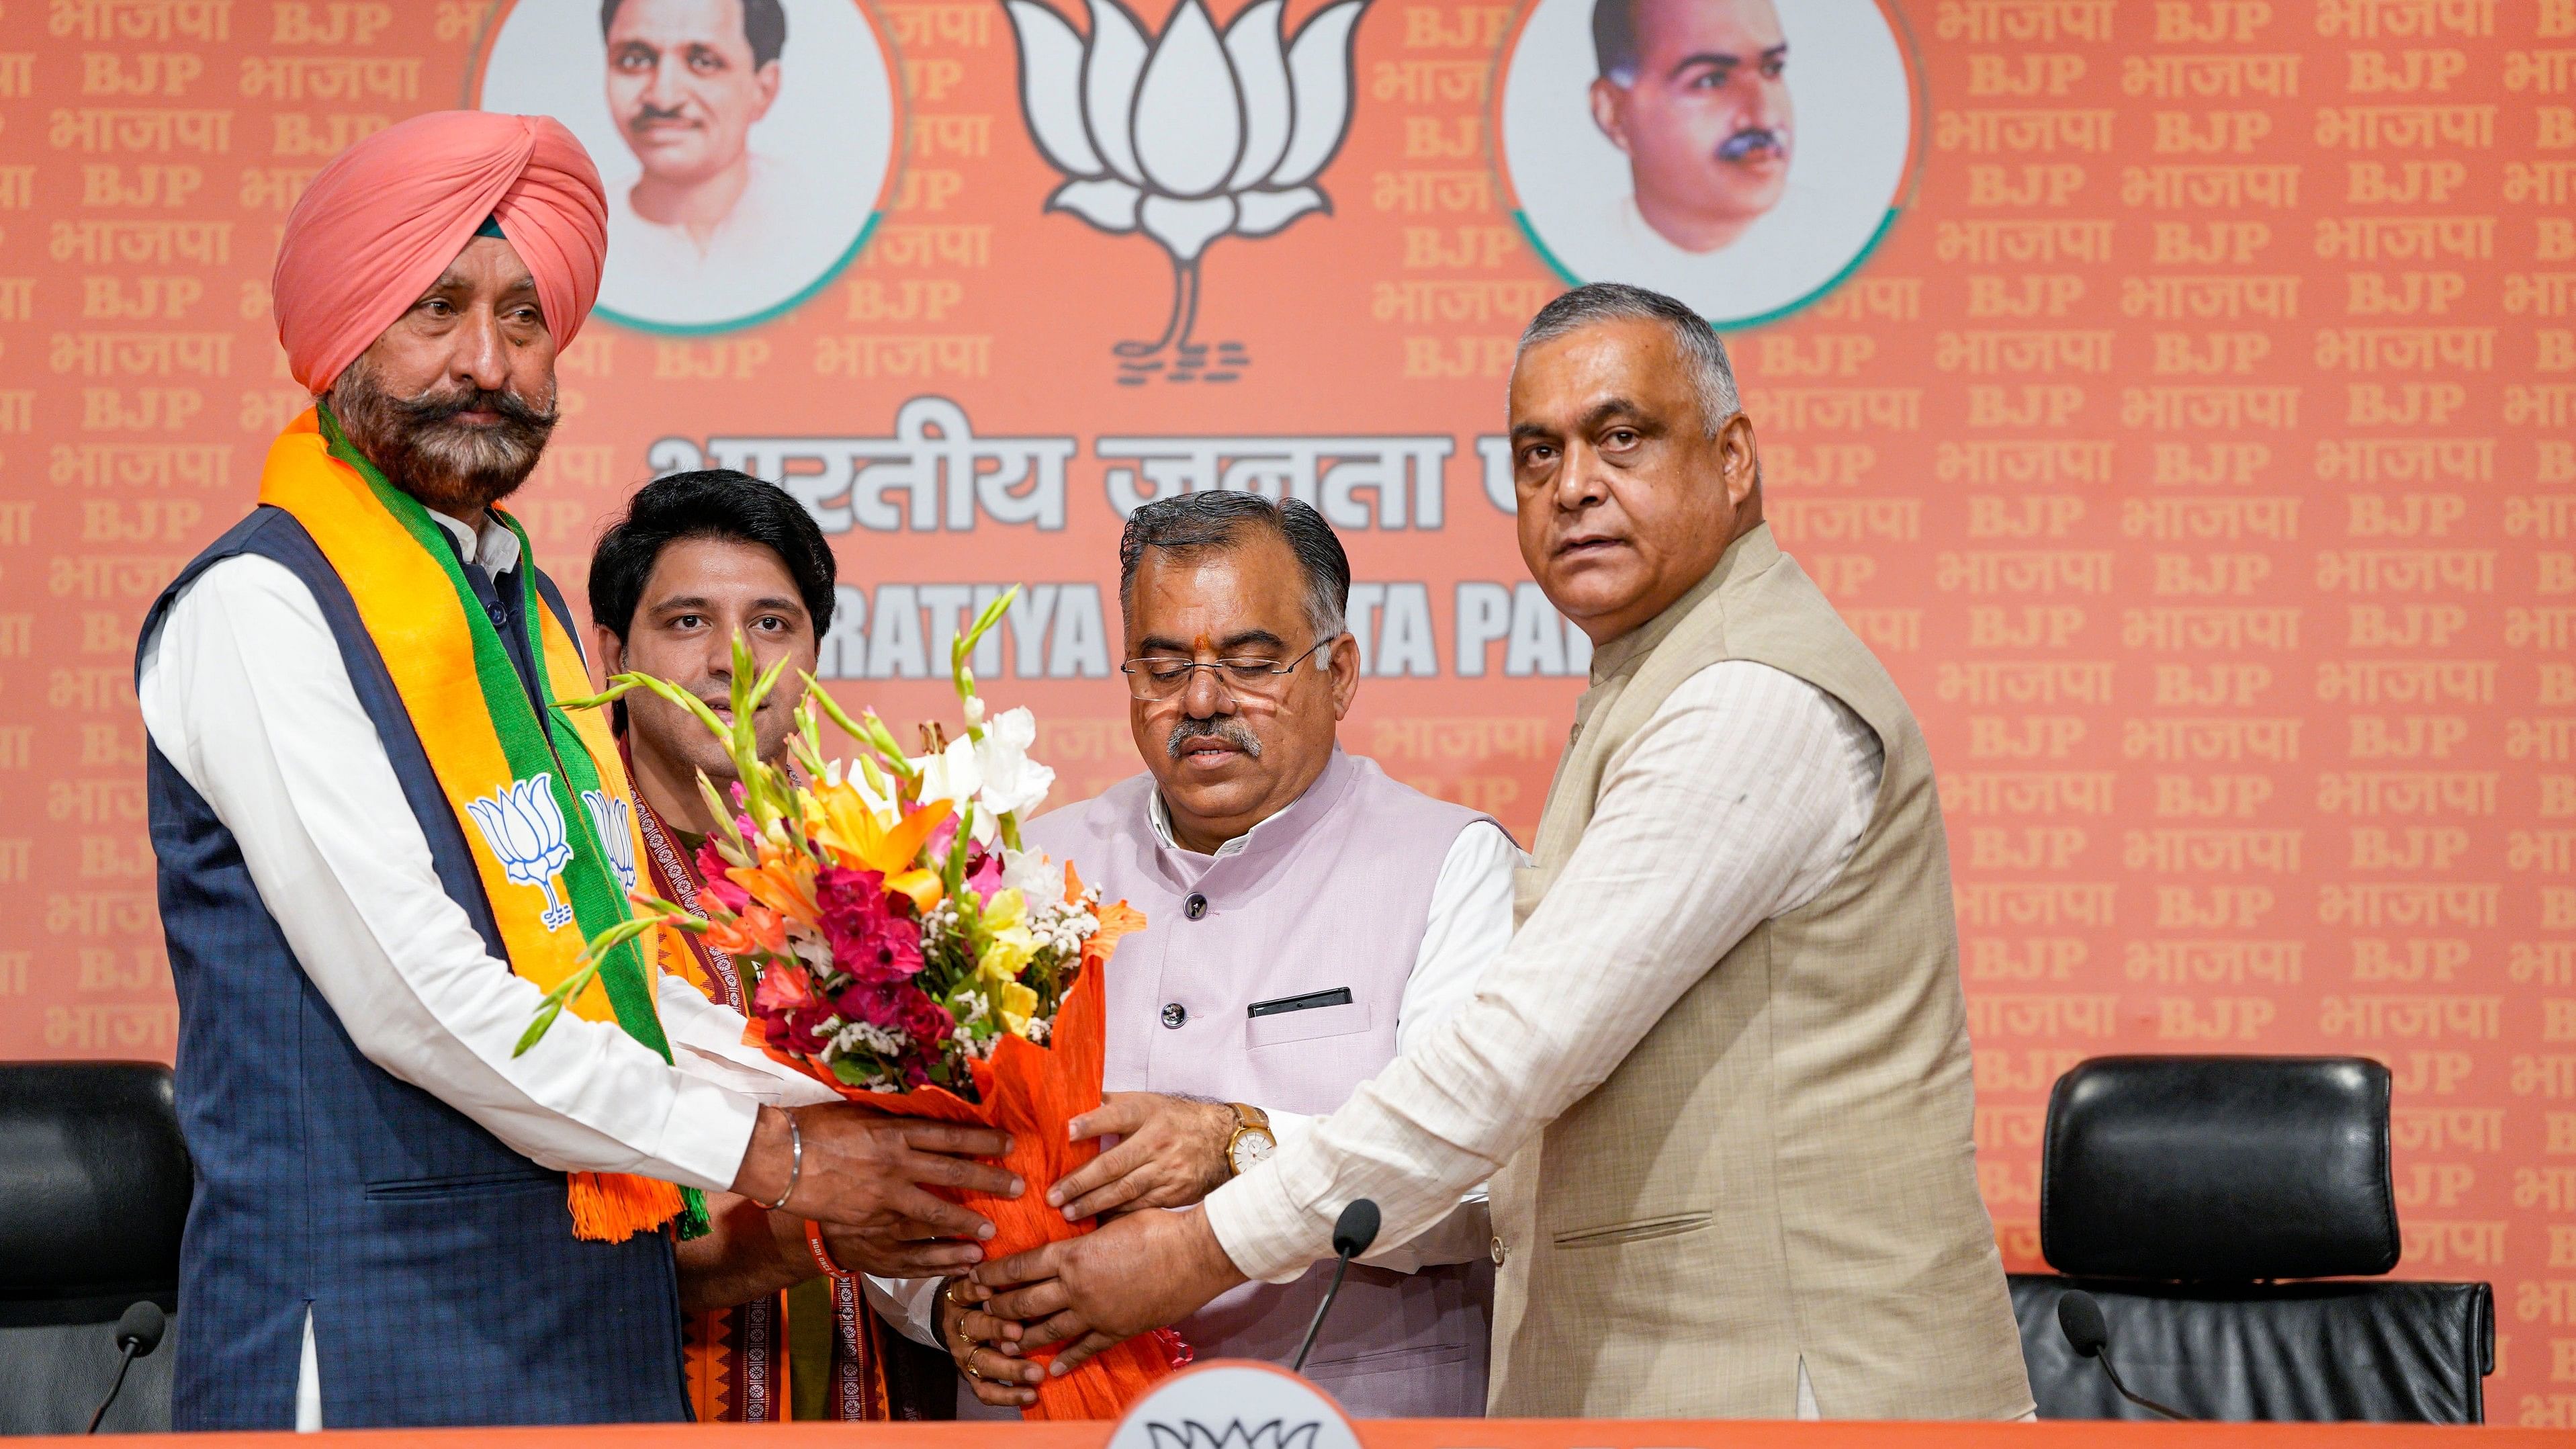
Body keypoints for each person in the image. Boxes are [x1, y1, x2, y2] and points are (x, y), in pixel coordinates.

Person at [963, 283, 2037, 1421]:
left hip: (1805, 1390)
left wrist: (1205, 1237)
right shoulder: (1659, 676)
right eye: (1538, 453)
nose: (1574, 484)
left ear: (1733, 459)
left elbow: (1513, 1059)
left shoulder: (1747, 699)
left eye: (1621, 437)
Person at [136, 110, 1016, 1431]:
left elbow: (616, 976)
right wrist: (779, 1150)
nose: (485, 362)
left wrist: (875, 1105)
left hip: (587, 1325)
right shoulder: (261, 608)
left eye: (523, 316)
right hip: (376, 1330)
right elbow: (421, 1003)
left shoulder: (528, 615)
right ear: (347, 335)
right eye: (436, 309)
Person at [895, 493, 1516, 1419]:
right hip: (1049, 1415)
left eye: (1250, 662)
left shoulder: (1451, 865)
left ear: (1338, 671)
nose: (1200, 701)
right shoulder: (1019, 870)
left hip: (1344, 1419)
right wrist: (939, 1307)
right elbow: (905, 1164)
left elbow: (1485, 1179)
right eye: (1161, 666)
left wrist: (1237, 1144)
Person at [586, 469, 959, 1421]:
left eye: (770, 624)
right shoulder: (564, 888)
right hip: (641, 1394)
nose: (732, 661)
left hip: (884, 1389)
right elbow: (556, 1228)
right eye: (685, 623)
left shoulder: (878, 870)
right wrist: (816, 1222)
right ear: (609, 653)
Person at [596, 0, 826, 323]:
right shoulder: (583, 231)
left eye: (703, 62)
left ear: (764, 88)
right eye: (635, 60)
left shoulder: (816, 221)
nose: (664, 97)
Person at [1590, 0, 1793, 255]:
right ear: (1614, 113)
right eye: (1711, 80)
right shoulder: (1591, 243)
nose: (1766, 116)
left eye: (1772, 68)